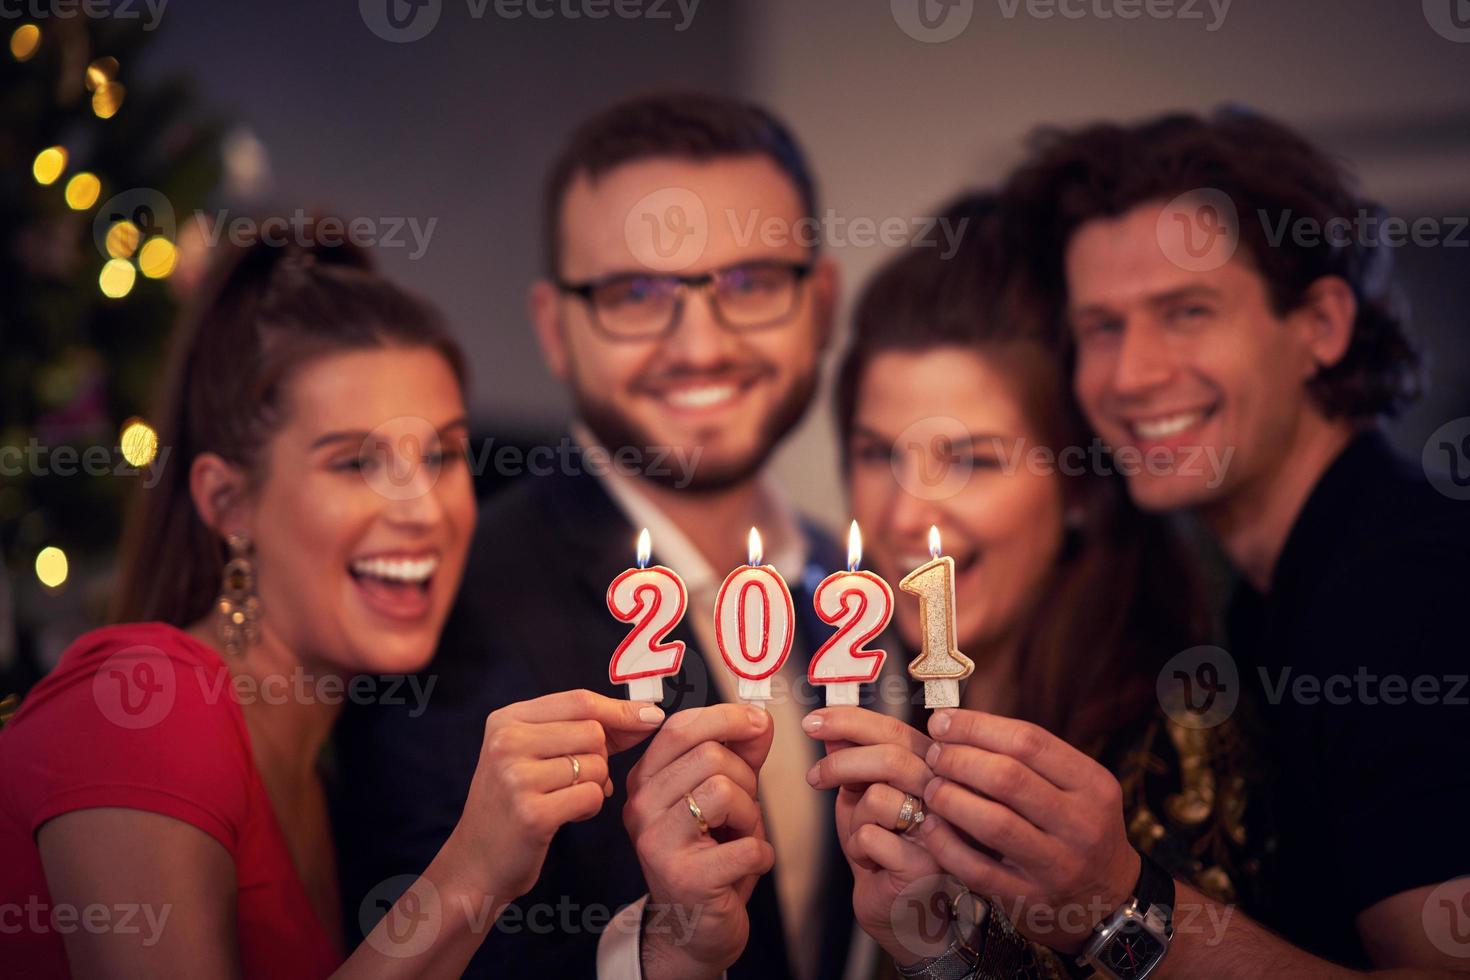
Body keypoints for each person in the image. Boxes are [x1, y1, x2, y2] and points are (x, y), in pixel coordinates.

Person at [0, 238, 664, 978]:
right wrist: (471, 873)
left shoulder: (334, 771)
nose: (422, 511)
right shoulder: (142, 706)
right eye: (355, 462)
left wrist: (671, 949)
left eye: (441, 456)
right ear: (228, 502)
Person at [333, 92, 862, 980]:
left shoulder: (864, 594)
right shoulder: (445, 614)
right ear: (554, 327)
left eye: (751, 283)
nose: (700, 343)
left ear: (821, 302)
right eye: (636, 293)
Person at [954, 107, 1470, 976]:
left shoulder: (1417, 588)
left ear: (1322, 325)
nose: (1133, 375)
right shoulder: (1268, 594)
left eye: (1187, 311)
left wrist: (1120, 903)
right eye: (1102, 327)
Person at [800, 194, 1274, 978]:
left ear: (1083, 488)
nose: (907, 514)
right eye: (879, 455)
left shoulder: (1184, 748)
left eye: (974, 461)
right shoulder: (869, 713)